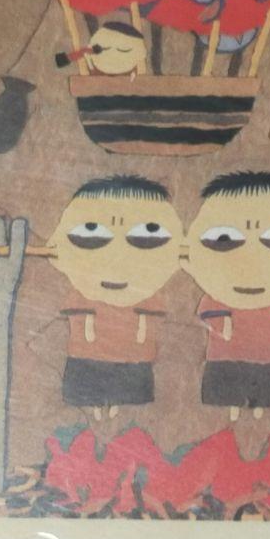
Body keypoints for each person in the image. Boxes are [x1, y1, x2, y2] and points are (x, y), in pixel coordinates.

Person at [183, 171, 270, 422]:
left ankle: (259, 411)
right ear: (186, 253)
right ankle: (233, 411)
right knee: (229, 384)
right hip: (226, 353)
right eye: (223, 238)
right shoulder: (217, 297)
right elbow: (212, 314)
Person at [47, 175, 182, 420]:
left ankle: (116, 407)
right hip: (87, 354)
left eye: (147, 235)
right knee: (91, 384)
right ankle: (97, 408)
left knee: (124, 387)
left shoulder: (145, 296)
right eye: (91, 232)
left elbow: (148, 316)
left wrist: (141, 337)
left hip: (132, 354)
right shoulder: (82, 294)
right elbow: (79, 314)